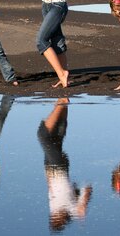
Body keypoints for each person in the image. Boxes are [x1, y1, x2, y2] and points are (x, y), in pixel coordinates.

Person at [37, 98, 93, 232]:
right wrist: (83, 206)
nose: (54, 216)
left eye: (52, 218)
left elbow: (51, 191)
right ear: (62, 221)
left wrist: (47, 174)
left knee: (56, 137)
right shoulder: (72, 210)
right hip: (59, 170)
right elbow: (88, 188)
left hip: (50, 169)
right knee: (43, 136)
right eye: (56, 219)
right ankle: (61, 103)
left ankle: (63, 103)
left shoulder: (54, 208)